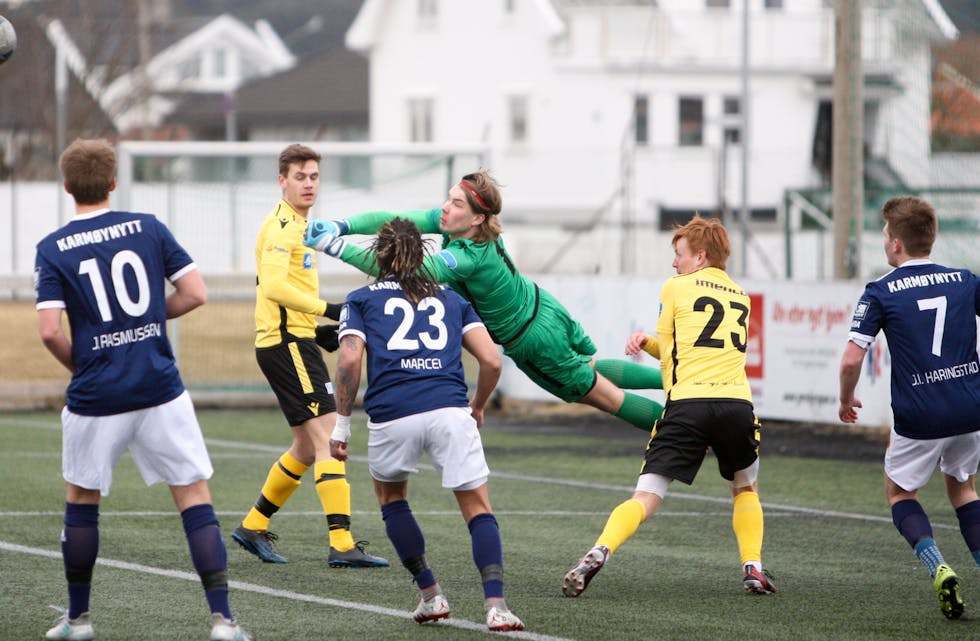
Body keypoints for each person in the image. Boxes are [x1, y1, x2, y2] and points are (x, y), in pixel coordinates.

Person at [34, 138, 251, 641]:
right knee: (194, 494)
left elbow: (48, 331)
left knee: (82, 498)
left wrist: (82, 362)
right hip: (159, 387)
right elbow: (195, 293)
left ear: (67, 187)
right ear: (113, 182)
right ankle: (223, 622)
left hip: (96, 394)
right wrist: (151, 318)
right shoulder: (149, 227)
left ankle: (78, 621)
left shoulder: (52, 247)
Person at [303, 169, 663, 433]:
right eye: (448, 198)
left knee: (605, 399)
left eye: (456, 203)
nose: (445, 208)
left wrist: (332, 247)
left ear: (477, 217)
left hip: (534, 341)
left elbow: (402, 268)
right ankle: (674, 379)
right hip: (545, 306)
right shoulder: (464, 226)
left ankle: (688, 434)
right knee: (592, 366)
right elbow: (391, 221)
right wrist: (342, 226)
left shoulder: (467, 256)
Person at [560, 214, 775, 598]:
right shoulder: (740, 294)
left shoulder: (675, 287)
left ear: (701, 256)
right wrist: (649, 342)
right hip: (736, 404)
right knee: (745, 489)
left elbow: (673, 362)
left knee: (646, 496)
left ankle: (600, 549)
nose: (674, 262)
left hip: (689, 404)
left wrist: (648, 346)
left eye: (679, 254)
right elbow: (698, 348)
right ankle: (753, 567)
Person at [329, 218, 524, 632]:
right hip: (449, 410)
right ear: (424, 257)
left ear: (378, 256)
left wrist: (342, 424)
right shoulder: (452, 298)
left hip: (392, 413)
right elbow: (491, 360)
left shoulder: (361, 298)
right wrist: (478, 405)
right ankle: (496, 606)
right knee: (476, 506)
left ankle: (431, 595)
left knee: (392, 499)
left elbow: (348, 360)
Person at [231, 143, 388, 568]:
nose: (308, 184)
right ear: (282, 180)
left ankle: (252, 526)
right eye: (300, 177)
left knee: (304, 446)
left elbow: (284, 291)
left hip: (292, 340)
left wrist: (316, 330)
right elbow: (275, 289)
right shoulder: (283, 227)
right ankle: (342, 545)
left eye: (314, 176)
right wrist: (330, 311)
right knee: (327, 441)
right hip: (285, 345)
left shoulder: (300, 223)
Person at [839, 195, 980, 620]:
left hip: (919, 414)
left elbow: (850, 358)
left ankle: (937, 566)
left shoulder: (881, 291)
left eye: (885, 234)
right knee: (963, 489)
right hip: (969, 407)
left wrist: (846, 399)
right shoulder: (966, 280)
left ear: (897, 244)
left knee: (900, 492)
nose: (883, 241)